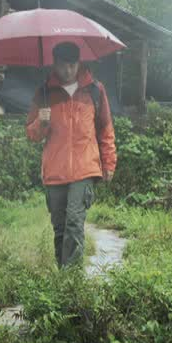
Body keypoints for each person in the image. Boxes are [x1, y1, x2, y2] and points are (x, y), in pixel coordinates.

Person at [26, 42, 117, 268]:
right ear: (54, 64)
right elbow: (32, 134)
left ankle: (72, 283)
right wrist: (42, 123)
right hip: (55, 170)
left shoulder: (95, 90)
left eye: (71, 65)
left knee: (74, 224)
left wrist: (109, 163)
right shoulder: (44, 92)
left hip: (85, 168)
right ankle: (63, 280)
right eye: (62, 65)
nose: (67, 70)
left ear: (78, 63)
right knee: (60, 228)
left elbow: (105, 129)